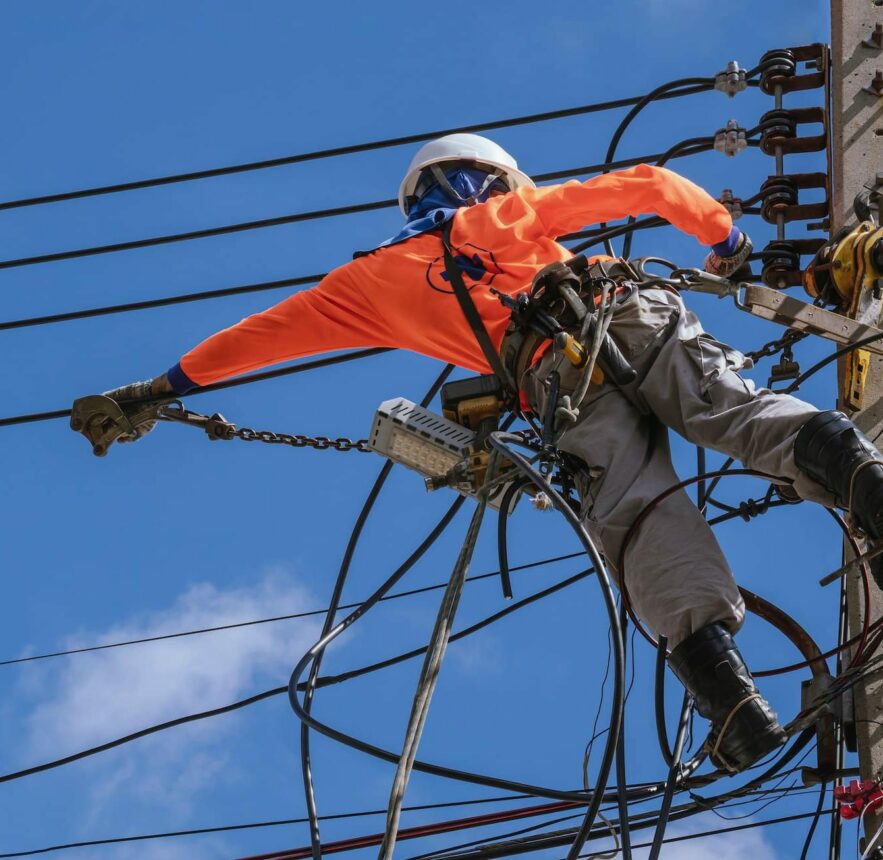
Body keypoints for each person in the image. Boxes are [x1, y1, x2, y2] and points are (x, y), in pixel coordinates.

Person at [95, 133, 883, 772]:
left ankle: (733, 706)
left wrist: (155, 392)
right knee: (737, 414)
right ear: (488, 182)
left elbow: (255, 339)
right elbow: (649, 185)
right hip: (620, 314)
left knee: (636, 514)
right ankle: (870, 492)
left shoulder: (361, 285)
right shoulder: (504, 219)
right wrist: (727, 239)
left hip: (554, 381)